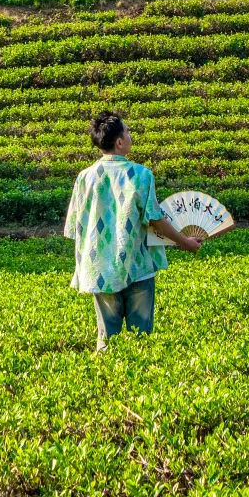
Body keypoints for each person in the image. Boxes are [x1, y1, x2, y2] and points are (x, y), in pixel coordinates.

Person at [64, 109, 200, 349]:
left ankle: (105, 384)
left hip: (101, 270)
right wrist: (185, 242)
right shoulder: (141, 175)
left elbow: (75, 227)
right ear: (119, 142)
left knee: (107, 341)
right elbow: (155, 220)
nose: (130, 134)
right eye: (127, 132)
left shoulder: (84, 178)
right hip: (137, 265)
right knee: (141, 342)